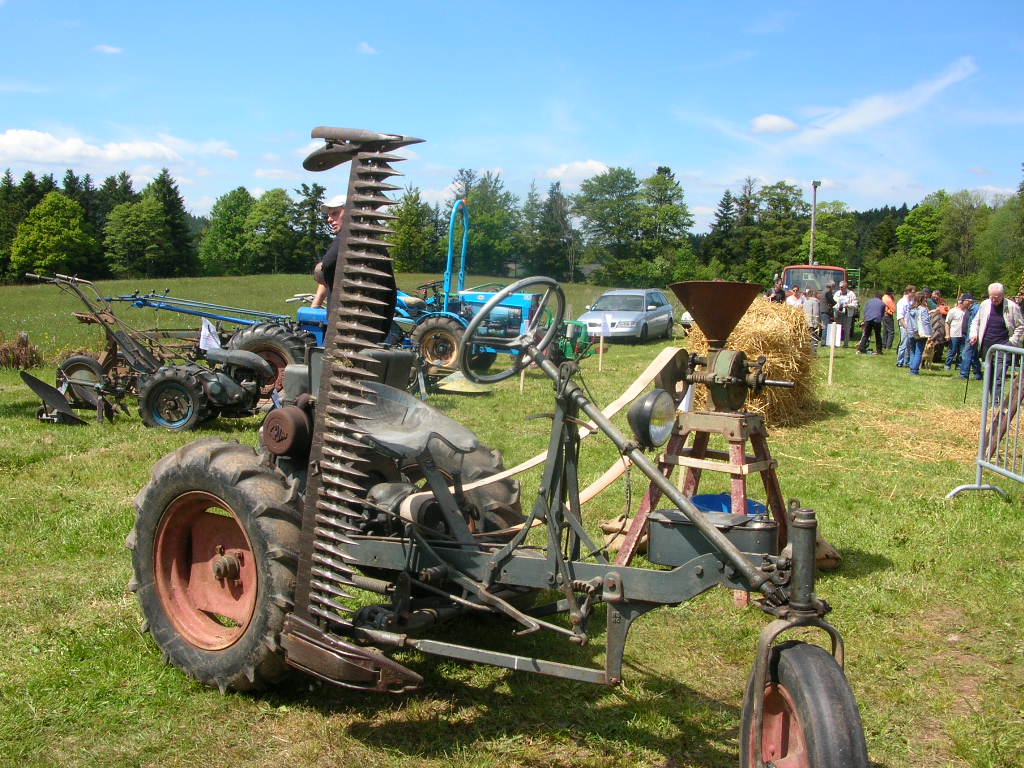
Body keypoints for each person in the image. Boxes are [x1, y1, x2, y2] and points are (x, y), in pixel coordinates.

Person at [968, 282, 1024, 362]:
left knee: (999, 372)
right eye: (992, 297)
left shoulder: (1012, 307)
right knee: (988, 371)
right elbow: (976, 322)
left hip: (1004, 345)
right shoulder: (985, 304)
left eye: (997, 298)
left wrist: (1012, 342)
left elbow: (1021, 326)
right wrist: (973, 334)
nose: (994, 300)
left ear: (1003, 295)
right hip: (986, 345)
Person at [310, 194, 347, 309]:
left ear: (350, 212)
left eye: (335, 213)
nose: (329, 219)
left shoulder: (344, 238)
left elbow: (326, 267)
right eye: (329, 215)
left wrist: (319, 269)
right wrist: (314, 309)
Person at [906, 291, 931, 375]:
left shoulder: (911, 308)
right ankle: (914, 370)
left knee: (913, 351)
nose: (926, 300)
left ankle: (911, 367)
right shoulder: (923, 309)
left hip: (911, 332)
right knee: (919, 352)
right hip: (920, 333)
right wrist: (929, 333)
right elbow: (925, 322)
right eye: (925, 298)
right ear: (922, 299)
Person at [959, 294, 982, 380]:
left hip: (973, 337)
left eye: (962, 301)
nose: (961, 303)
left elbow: (977, 323)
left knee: (966, 354)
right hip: (970, 335)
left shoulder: (976, 309)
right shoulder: (970, 309)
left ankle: (964, 375)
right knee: (974, 356)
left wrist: (973, 335)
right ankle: (978, 374)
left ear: (968, 301)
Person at [944, 295, 968, 370]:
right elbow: (947, 323)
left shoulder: (967, 311)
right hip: (954, 334)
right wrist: (947, 334)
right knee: (952, 351)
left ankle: (959, 366)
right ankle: (947, 365)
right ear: (960, 303)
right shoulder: (952, 311)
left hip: (964, 334)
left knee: (962, 352)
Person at [895, 285, 916, 367]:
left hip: (912, 326)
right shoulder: (902, 302)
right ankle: (900, 362)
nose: (914, 294)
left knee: (910, 345)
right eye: (913, 292)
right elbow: (900, 316)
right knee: (904, 344)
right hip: (904, 325)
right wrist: (906, 326)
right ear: (908, 292)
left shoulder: (912, 301)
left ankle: (907, 362)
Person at [833, 281, 858, 348]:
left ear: (845, 287)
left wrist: (848, 305)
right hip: (838, 314)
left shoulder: (851, 294)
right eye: (840, 287)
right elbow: (834, 299)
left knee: (847, 329)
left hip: (847, 314)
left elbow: (855, 304)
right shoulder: (837, 293)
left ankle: (846, 344)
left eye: (842, 287)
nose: (840, 288)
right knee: (838, 328)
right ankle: (836, 344)